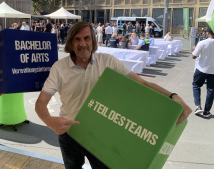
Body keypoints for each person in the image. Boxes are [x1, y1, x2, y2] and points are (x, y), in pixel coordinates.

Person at [35, 21, 191, 169]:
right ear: (71, 42)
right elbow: (41, 102)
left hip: (101, 134)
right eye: (77, 39)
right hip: (69, 134)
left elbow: (142, 84)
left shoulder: (108, 61)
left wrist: (173, 96)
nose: (83, 44)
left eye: (87, 38)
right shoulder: (59, 68)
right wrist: (49, 121)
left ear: (93, 40)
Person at [192, 27, 214, 117]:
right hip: (213, 70)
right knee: (211, 90)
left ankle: (198, 106)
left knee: (196, 85)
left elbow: (194, 56)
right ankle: (207, 111)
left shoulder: (202, 43)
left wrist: (195, 51)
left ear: (208, 33)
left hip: (202, 68)